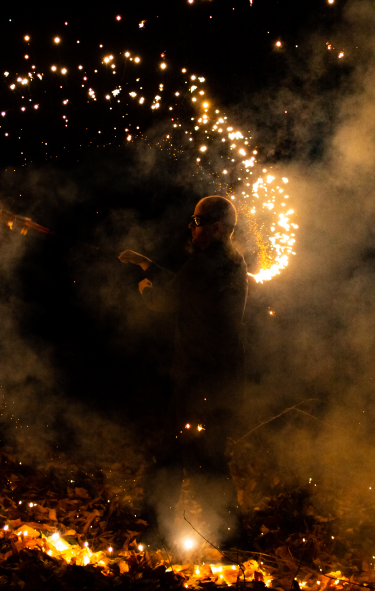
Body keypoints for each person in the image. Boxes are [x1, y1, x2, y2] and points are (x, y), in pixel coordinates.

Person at [118, 195, 248, 547]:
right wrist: (148, 265)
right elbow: (187, 286)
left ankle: (168, 530)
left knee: (188, 455)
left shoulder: (203, 265)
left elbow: (164, 300)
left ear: (216, 227)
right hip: (219, 376)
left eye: (197, 222)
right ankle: (225, 536)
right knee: (197, 453)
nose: (191, 228)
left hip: (198, 377)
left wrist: (145, 286)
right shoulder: (232, 260)